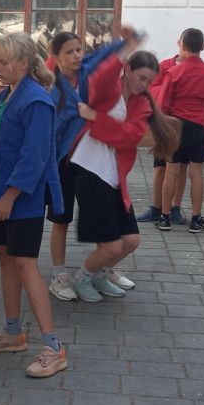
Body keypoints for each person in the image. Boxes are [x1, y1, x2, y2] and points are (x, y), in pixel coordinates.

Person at [0, 32, 67, 379]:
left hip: (22, 200)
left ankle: (54, 348)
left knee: (26, 265)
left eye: (3, 62)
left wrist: (10, 195)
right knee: (6, 259)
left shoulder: (36, 101)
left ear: (24, 63)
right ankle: (13, 333)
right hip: (2, 196)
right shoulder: (6, 96)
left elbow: (35, 156)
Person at [69, 43, 181, 302]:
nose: (145, 85)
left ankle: (100, 276)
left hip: (114, 177)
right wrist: (127, 46)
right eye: (141, 78)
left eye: (150, 81)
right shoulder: (109, 89)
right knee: (111, 245)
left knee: (131, 241)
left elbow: (129, 137)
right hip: (90, 171)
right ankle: (82, 278)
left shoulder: (142, 103)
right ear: (127, 70)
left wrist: (96, 118)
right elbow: (102, 74)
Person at [44, 30, 137, 301]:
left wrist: (129, 41)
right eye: (69, 52)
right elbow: (49, 131)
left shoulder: (87, 72)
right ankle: (59, 276)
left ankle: (103, 270)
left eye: (79, 49)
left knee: (99, 214)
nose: (77, 55)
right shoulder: (53, 91)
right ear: (55, 57)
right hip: (63, 161)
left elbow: (105, 54)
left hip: (91, 160)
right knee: (60, 219)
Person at [154, 28, 204, 234]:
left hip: (175, 126)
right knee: (196, 172)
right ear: (203, 47)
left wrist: (162, 128)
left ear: (182, 46)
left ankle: (164, 217)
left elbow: (163, 103)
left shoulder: (173, 72)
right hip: (198, 127)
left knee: (171, 171)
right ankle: (196, 219)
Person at [137, 32, 197, 223]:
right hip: (165, 123)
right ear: (179, 43)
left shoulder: (195, 69)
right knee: (160, 167)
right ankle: (156, 207)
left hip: (184, 125)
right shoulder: (166, 66)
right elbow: (154, 89)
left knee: (181, 168)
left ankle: (175, 207)